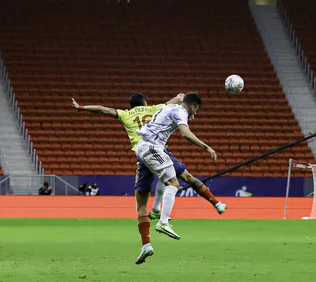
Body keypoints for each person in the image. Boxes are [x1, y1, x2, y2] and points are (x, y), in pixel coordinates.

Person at [72, 92, 226, 264]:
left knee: (141, 206)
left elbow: (104, 110)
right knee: (182, 179)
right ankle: (207, 205)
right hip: (156, 149)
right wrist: (181, 97)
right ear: (145, 103)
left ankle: (146, 244)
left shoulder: (126, 114)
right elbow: (177, 103)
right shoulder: (156, 108)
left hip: (142, 154)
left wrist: (82, 107)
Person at [133, 92, 217, 263]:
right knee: (174, 183)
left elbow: (178, 98)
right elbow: (185, 134)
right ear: (193, 106)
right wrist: (206, 147)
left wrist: (181, 97)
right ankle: (163, 221)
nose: (195, 114)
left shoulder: (169, 106)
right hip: (152, 147)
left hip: (142, 149)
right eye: (196, 110)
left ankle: (146, 244)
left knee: (142, 200)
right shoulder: (181, 112)